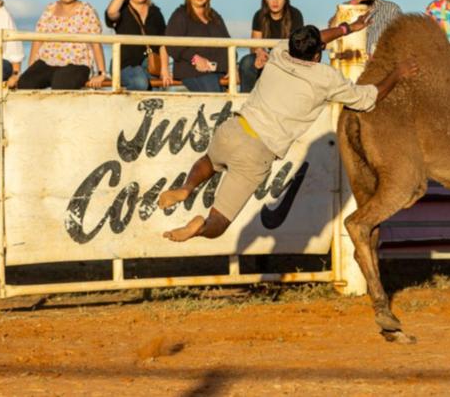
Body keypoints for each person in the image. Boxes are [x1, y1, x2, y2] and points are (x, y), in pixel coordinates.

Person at [159, 16, 419, 242]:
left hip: (235, 128)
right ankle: (202, 227)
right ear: (318, 54)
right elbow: (368, 97)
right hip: (258, 151)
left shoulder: (280, 51)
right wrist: (398, 73)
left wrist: (347, 28)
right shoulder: (326, 78)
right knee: (220, 222)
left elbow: (314, 39)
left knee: (208, 161)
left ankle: (187, 187)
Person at [18, 0, 106, 90]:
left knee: (61, 82)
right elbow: (38, 40)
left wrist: (101, 73)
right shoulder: (50, 9)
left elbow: (96, 42)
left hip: (77, 63)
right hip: (48, 61)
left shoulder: (86, 9)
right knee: (25, 82)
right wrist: (30, 68)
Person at [163, 0, 231, 92]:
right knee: (213, 95)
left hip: (218, 71)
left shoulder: (215, 16)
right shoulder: (180, 15)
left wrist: (231, 65)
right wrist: (195, 58)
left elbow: (228, 43)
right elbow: (171, 45)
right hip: (192, 72)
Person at [105, 0, 166, 91]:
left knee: (155, 91)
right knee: (140, 82)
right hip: (124, 65)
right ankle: (125, 107)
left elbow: (163, 43)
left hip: (150, 65)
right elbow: (111, 12)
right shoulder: (122, 10)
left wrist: (165, 69)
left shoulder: (156, 12)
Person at [239, 0, 304, 92]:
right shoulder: (259, 15)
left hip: (288, 58)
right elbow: (254, 44)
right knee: (247, 63)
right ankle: (247, 101)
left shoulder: (295, 14)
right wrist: (259, 53)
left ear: (285, 0)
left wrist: (276, 57)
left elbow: (297, 46)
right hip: (267, 59)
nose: (275, 1)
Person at [330, 0, 401, 56]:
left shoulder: (392, 9)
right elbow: (331, 28)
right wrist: (353, 2)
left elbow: (400, 40)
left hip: (377, 65)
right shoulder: (346, 8)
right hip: (350, 64)